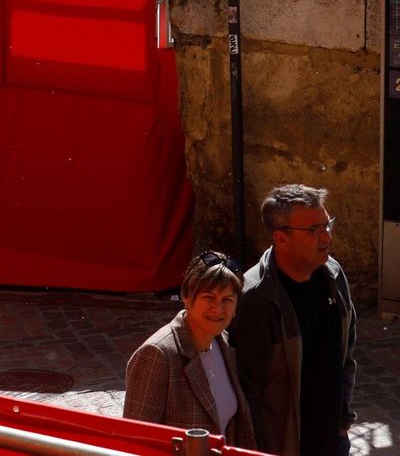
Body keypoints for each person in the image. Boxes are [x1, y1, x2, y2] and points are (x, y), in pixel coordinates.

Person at [229, 184, 357, 456]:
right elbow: (247, 391)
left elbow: (346, 356)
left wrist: (343, 420)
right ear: (281, 237)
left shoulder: (332, 274)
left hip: (333, 441)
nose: (327, 238)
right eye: (314, 230)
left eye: (327, 225)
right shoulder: (257, 298)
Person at [123, 253, 256, 447]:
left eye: (227, 299)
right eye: (209, 297)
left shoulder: (224, 344)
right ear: (186, 296)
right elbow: (134, 442)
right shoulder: (157, 356)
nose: (218, 309)